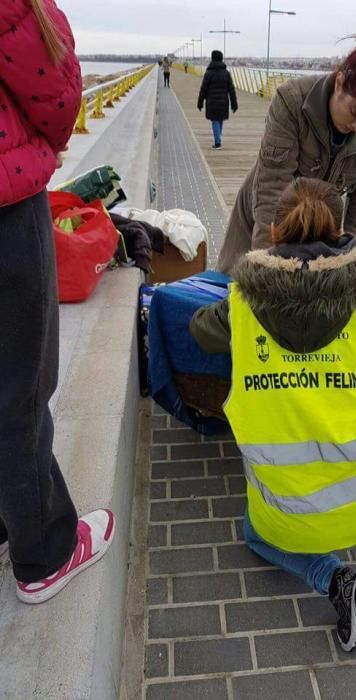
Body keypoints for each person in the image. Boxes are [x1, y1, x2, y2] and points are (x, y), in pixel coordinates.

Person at [190, 178, 356, 652]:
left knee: (256, 532)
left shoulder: (242, 303)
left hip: (290, 520)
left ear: (274, 231)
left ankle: (338, 580)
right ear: (340, 232)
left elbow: (200, 331)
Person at [0, 0, 115, 605]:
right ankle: (44, 550)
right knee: (20, 384)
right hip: (4, 204)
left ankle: (7, 514)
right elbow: (54, 88)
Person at [217, 21, 356, 273]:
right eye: (355, 114)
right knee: (239, 285)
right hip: (268, 214)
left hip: (321, 224)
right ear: (340, 82)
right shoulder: (291, 101)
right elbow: (271, 189)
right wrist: (268, 268)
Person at [197, 50, 238, 151]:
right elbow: (231, 90)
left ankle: (218, 142)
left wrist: (200, 103)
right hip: (223, 101)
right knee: (220, 119)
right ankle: (218, 139)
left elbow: (203, 89)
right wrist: (234, 104)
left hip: (212, 102)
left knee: (215, 120)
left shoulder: (208, 73)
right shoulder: (226, 73)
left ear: (212, 58)